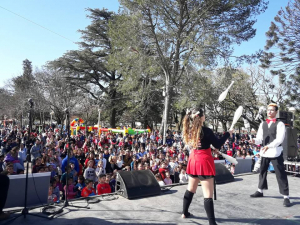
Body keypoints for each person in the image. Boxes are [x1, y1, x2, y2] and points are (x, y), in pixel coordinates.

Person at [181, 107, 232, 225]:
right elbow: (218, 143)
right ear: (202, 117)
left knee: (190, 189)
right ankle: (212, 223)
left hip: (193, 160)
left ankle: (184, 212)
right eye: (204, 115)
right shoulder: (206, 131)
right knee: (207, 194)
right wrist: (227, 134)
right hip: (204, 161)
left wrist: (211, 148)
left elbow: (200, 144)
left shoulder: (188, 129)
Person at [249, 103, 291, 207]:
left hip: (276, 151)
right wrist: (254, 140)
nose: (269, 112)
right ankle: (260, 190)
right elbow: (259, 138)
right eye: (268, 110)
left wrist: (269, 146)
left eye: (272, 110)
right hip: (264, 151)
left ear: (276, 112)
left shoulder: (280, 124)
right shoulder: (262, 123)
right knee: (262, 171)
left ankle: (286, 196)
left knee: (280, 174)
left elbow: (280, 139)